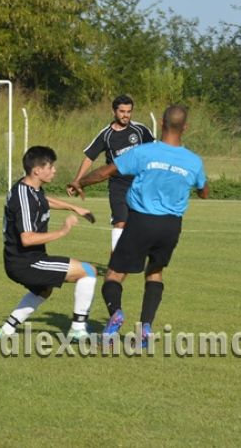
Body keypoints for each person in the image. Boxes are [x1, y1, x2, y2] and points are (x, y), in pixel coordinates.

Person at [68, 105, 209, 345]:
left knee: (114, 274)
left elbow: (105, 172)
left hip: (141, 220)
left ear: (162, 124)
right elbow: (204, 192)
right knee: (155, 272)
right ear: (185, 128)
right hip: (171, 226)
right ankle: (145, 328)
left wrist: (81, 182)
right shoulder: (193, 161)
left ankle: (116, 313)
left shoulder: (144, 152)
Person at [0, 146, 97, 341]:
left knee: (44, 289)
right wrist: (62, 231)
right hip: (26, 262)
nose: (54, 170)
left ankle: (6, 329)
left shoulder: (30, 188)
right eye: (50, 166)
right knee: (88, 271)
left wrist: (73, 207)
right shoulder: (23, 197)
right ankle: (78, 328)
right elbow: (27, 238)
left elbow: (43, 200)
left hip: (23, 260)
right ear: (37, 170)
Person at [66, 94, 154, 252]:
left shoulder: (140, 130)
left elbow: (155, 150)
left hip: (141, 183)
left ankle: (135, 255)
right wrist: (77, 181)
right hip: (118, 185)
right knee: (120, 221)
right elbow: (89, 158)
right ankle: (116, 263)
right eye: (122, 111)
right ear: (114, 111)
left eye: (128, 111)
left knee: (142, 222)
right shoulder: (106, 135)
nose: (125, 115)